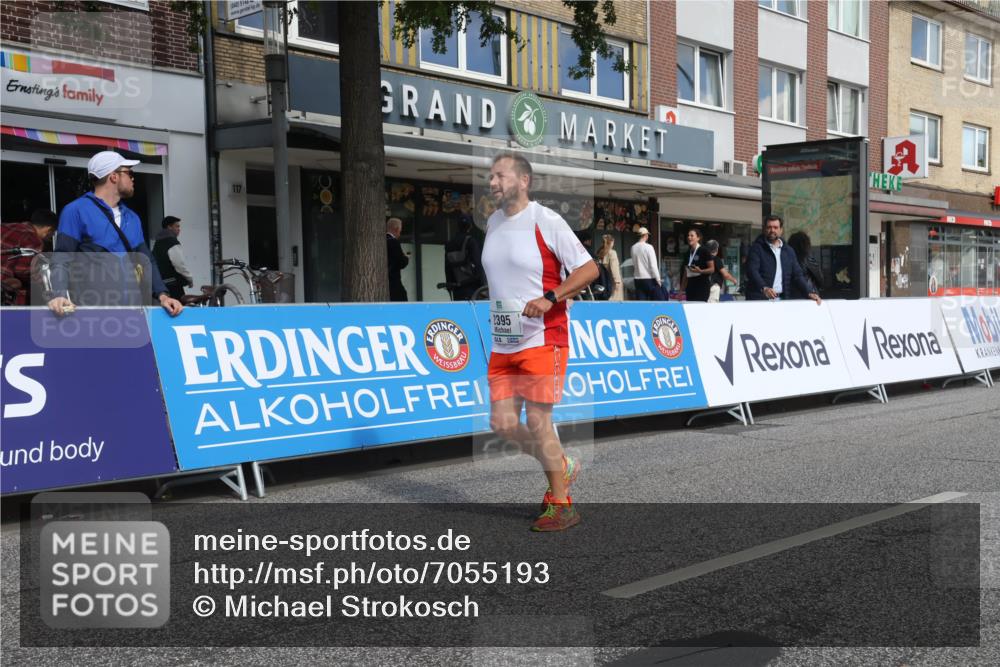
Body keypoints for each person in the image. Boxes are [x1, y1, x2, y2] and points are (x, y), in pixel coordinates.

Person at [482, 152, 597, 532]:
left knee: (537, 418)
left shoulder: (545, 220)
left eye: (500, 175)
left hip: (543, 336)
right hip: (504, 340)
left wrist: (551, 296)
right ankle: (561, 465)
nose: (492, 182)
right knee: (502, 424)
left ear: (523, 180)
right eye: (491, 176)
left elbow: (589, 268)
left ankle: (562, 504)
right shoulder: (493, 223)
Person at [47, 151, 182, 316]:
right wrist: (59, 294)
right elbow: (61, 258)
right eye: (129, 173)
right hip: (92, 313)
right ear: (113, 177)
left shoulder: (132, 217)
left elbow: (147, 261)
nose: (133, 178)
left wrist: (163, 295)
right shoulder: (76, 211)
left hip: (133, 313)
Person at [746, 215, 821, 304]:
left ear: (781, 230)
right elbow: (752, 271)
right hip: (759, 300)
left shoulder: (788, 251)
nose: (772, 230)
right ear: (764, 229)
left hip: (782, 300)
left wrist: (809, 292)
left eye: (775, 227)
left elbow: (798, 275)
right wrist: (764, 288)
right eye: (769, 227)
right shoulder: (757, 248)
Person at [2, 209, 56, 305]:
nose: (51, 238)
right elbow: (23, 270)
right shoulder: (33, 239)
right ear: (48, 230)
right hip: (4, 293)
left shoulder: (5, 227)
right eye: (52, 234)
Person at [152, 216, 194, 300]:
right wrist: (189, 278)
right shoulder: (172, 242)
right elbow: (179, 264)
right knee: (179, 310)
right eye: (177, 226)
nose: (179, 229)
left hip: (161, 287)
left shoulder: (157, 243)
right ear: (169, 227)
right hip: (174, 285)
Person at [444, 214, 484, 300]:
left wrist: (449, 285)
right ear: (470, 226)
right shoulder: (471, 241)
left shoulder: (449, 244)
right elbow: (477, 264)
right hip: (472, 286)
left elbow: (447, 267)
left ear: (458, 226)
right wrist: (482, 284)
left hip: (456, 286)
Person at [786, 231, 824, 299]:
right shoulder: (807, 259)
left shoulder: (787, 258)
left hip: (790, 295)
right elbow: (820, 279)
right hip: (809, 295)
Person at [680, 227, 714, 302]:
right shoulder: (687, 253)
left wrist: (700, 271)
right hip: (690, 287)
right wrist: (681, 290)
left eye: (692, 235)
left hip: (702, 287)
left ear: (698, 238)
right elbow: (686, 273)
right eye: (688, 236)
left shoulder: (704, 251)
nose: (689, 237)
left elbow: (712, 269)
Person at [630, 226, 662, 300]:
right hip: (649, 279)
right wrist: (658, 279)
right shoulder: (649, 247)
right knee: (653, 302)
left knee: (641, 304)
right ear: (646, 235)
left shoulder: (633, 247)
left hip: (637, 279)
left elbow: (634, 263)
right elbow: (653, 265)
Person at [386, 217, 409, 302]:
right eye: (400, 231)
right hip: (393, 280)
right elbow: (401, 263)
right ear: (396, 229)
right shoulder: (393, 242)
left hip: (382, 281)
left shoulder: (381, 240)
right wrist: (406, 258)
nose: (400, 234)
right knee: (402, 299)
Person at [596, 234, 624, 301]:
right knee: (615, 302)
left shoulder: (600, 252)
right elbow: (614, 268)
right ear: (611, 242)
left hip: (603, 281)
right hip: (612, 282)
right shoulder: (612, 253)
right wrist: (617, 281)